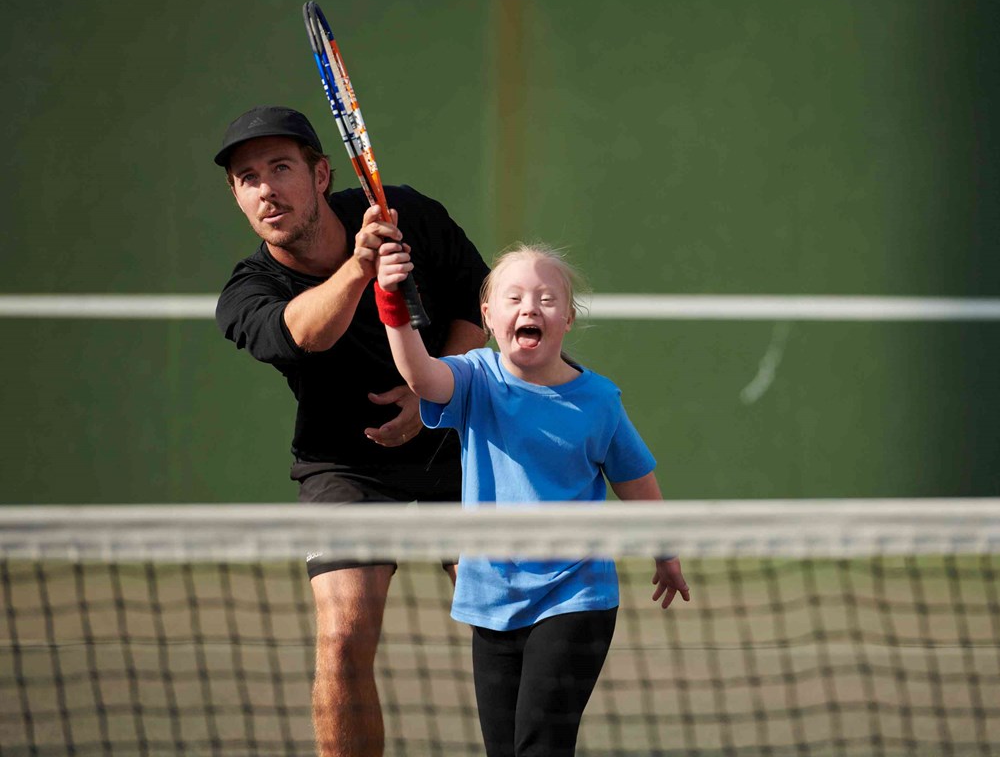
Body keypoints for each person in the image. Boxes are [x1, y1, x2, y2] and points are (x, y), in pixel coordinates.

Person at [212, 105, 490, 757]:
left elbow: (474, 302)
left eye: (280, 168)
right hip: (345, 463)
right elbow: (307, 333)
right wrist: (360, 267)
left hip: (455, 441)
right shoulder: (248, 292)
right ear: (237, 197)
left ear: (321, 173)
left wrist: (436, 390)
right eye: (247, 179)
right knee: (343, 634)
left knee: (501, 621)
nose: (265, 189)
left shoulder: (406, 214)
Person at [375, 240, 691, 756]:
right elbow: (419, 375)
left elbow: (635, 478)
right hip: (490, 596)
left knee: (540, 745)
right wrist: (392, 302)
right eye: (514, 297)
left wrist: (666, 550)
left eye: (546, 299)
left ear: (567, 318)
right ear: (488, 316)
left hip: (576, 595)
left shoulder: (599, 401)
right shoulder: (475, 377)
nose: (529, 308)